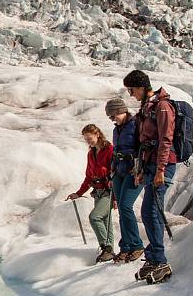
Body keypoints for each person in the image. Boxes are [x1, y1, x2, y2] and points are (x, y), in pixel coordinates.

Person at [123, 70, 176, 282]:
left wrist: (161, 169)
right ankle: (154, 258)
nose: (130, 94)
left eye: (132, 89)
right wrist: (140, 170)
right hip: (151, 166)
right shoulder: (147, 108)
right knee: (148, 212)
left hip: (162, 166)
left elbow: (166, 140)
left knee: (152, 212)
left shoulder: (162, 107)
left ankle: (161, 260)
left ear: (143, 87)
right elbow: (143, 143)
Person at [66, 124, 115, 264]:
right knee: (106, 222)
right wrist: (78, 193)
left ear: (97, 134)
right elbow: (89, 177)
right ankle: (109, 252)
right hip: (98, 192)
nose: (88, 141)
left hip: (109, 192)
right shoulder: (91, 153)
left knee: (95, 217)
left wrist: (116, 197)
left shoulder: (110, 150)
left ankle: (106, 248)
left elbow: (116, 173)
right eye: (86, 139)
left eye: (90, 138)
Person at [104, 97, 144, 265]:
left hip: (134, 171)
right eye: (111, 118)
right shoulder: (117, 129)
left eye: (114, 116)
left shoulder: (136, 125)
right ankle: (126, 246)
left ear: (122, 110)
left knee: (126, 206)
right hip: (119, 171)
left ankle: (137, 245)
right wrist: (112, 171)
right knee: (121, 208)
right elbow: (116, 151)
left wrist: (139, 170)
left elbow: (143, 148)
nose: (113, 120)